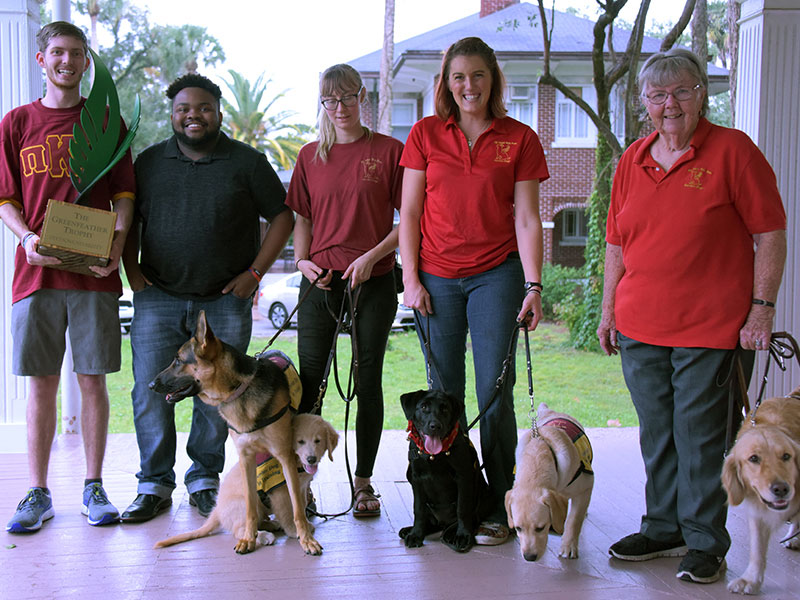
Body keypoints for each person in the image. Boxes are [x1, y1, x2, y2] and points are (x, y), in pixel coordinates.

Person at [597, 48, 787, 584]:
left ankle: (704, 540)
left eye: (681, 91)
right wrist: (609, 309)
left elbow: (770, 232)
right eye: (657, 96)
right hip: (640, 327)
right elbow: (616, 242)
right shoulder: (632, 161)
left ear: (702, 93)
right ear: (644, 105)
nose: (670, 104)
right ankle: (663, 527)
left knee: (701, 436)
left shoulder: (733, 152)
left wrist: (762, 310)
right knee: (657, 434)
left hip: (713, 328)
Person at [120, 74, 293, 523]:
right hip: (158, 296)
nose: (192, 115)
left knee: (221, 396)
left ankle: (204, 479)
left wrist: (255, 274)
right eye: (183, 108)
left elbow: (282, 216)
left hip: (223, 302)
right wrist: (133, 272)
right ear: (173, 114)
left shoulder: (247, 163)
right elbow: (127, 218)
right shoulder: (150, 163)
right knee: (149, 389)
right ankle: (154, 483)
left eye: (202, 107)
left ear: (218, 111)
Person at [398, 37, 549, 545]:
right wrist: (410, 278)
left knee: (493, 392)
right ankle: (448, 502)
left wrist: (533, 284)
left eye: (478, 75)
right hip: (436, 277)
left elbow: (527, 218)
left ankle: (503, 499)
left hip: (496, 274)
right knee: (444, 397)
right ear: (446, 83)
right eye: (458, 77)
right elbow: (412, 213)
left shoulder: (519, 138)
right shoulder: (424, 134)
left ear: (493, 80)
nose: (469, 86)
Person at [0, 21, 135, 532]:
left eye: (76, 53)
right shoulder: (16, 123)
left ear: (86, 62)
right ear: (42, 60)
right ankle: (37, 492)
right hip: (34, 275)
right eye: (57, 52)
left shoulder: (106, 123)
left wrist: (116, 247)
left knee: (93, 380)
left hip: (94, 274)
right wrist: (26, 238)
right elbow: (5, 198)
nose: (66, 61)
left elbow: (124, 194)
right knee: (41, 385)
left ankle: (93, 486)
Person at [287, 64, 403, 517]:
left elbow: (407, 220)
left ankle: (364, 484)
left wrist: (372, 256)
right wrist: (302, 262)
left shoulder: (389, 151)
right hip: (320, 281)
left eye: (348, 97)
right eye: (330, 101)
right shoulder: (309, 155)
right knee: (310, 384)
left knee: (367, 379)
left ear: (363, 98)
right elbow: (303, 220)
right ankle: (303, 484)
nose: (340, 108)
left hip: (372, 281)